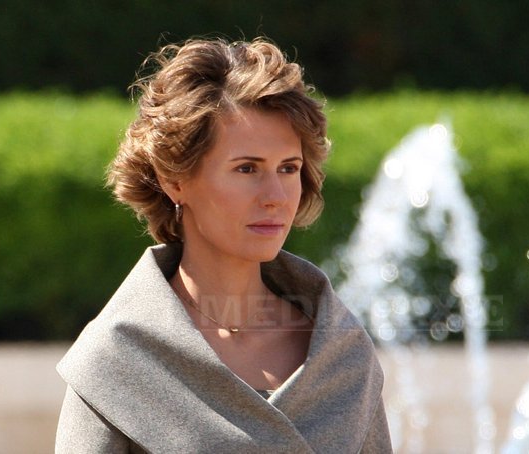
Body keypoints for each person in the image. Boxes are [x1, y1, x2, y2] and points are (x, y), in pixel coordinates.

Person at [55, 37, 392, 453]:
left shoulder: (343, 351)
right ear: (174, 180)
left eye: (289, 168)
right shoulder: (116, 359)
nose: (276, 196)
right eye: (247, 168)